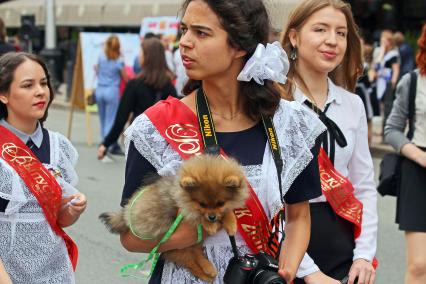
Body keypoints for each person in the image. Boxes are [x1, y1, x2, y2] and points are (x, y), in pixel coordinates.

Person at [118, 0, 326, 283]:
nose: (185, 43)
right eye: (184, 30)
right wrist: (188, 235)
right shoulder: (155, 127)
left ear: (240, 46)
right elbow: (130, 236)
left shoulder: (290, 124)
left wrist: (285, 272)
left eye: (201, 33)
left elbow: (299, 216)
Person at [280, 1, 378, 283]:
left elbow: (364, 186)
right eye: (320, 29)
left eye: (341, 33)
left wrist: (363, 254)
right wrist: (309, 273)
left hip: (342, 247)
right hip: (284, 246)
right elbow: (264, 196)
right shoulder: (271, 100)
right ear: (294, 37)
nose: (332, 41)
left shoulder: (353, 104)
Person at [0, 52, 87, 283]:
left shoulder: (60, 146)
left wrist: (71, 211)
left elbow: (58, 219)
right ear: (3, 95)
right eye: (28, 85)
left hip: (54, 271)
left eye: (44, 83)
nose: (40, 91)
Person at [384, 23, 426, 284]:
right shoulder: (412, 81)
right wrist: (420, 156)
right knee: (419, 265)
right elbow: (392, 129)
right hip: (417, 170)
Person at [97, 37, 177, 160]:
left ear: (147, 56)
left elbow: (121, 118)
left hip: (138, 143)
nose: (139, 56)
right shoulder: (169, 86)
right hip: (162, 146)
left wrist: (105, 144)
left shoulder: (134, 84)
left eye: (141, 52)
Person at [95, 35, 128, 157]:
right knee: (111, 119)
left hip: (100, 89)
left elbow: (97, 70)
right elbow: (125, 77)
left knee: (103, 119)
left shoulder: (101, 56)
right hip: (112, 91)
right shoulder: (119, 60)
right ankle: (107, 144)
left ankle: (104, 140)